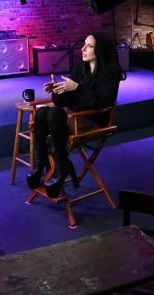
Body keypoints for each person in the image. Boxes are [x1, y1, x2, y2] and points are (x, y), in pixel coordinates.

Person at [26, 32, 125, 198]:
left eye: (90, 46)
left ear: (100, 50)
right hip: (76, 115)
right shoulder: (81, 67)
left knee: (55, 114)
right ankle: (43, 163)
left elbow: (103, 103)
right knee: (43, 113)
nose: (83, 49)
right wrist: (57, 90)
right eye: (84, 44)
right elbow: (66, 100)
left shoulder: (110, 71)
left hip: (95, 120)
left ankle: (61, 167)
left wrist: (77, 88)